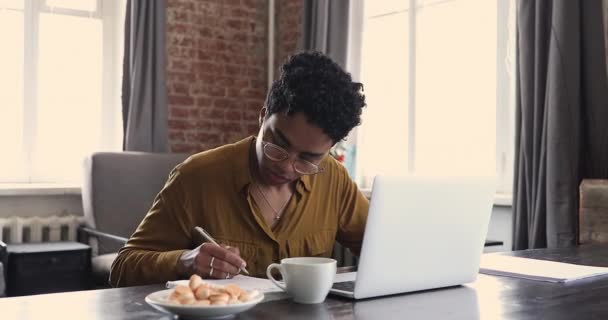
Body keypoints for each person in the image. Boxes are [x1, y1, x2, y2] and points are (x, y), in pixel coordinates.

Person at [110, 51, 369, 287]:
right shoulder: (196, 176)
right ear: (263, 116)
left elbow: (383, 252)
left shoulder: (335, 180)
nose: (286, 166)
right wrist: (184, 261)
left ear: (330, 149)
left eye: (307, 159)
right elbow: (122, 269)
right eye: (278, 144)